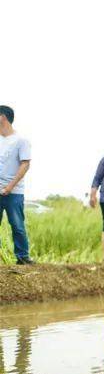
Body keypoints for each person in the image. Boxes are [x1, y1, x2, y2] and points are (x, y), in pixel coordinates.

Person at [0, 105, 34, 265]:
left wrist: (10, 187)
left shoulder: (21, 141)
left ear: (3, 118)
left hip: (14, 192)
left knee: (17, 225)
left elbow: (25, 164)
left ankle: (23, 257)